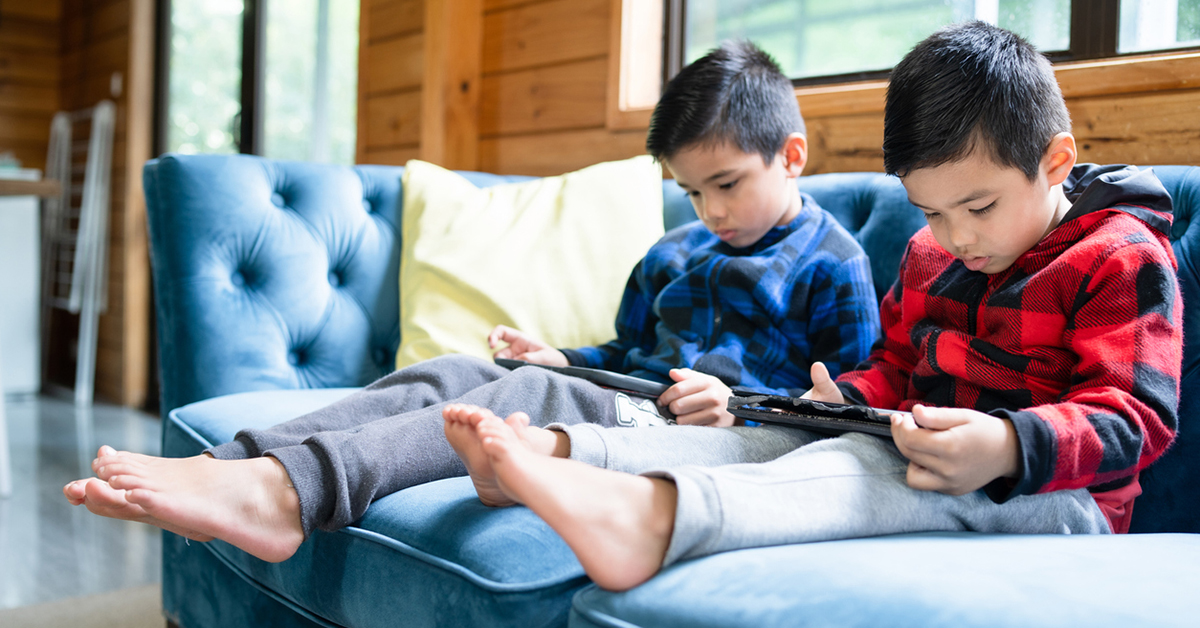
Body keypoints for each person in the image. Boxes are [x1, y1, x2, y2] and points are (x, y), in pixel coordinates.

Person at [62, 40, 880, 563]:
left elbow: (850, 406)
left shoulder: (833, 263)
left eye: (728, 185)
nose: (712, 212)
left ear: (793, 156)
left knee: (528, 399)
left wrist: (741, 405)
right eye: (693, 192)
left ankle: (288, 496)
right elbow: (624, 356)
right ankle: (232, 464)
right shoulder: (674, 253)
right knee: (460, 367)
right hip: (635, 399)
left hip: (710, 434)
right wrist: (564, 356)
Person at [441, 21, 1183, 592]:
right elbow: (894, 364)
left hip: (1061, 501)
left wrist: (1008, 446)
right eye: (929, 213)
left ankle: (650, 521)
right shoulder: (936, 254)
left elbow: (1137, 418)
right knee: (772, 431)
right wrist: (838, 401)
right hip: (917, 450)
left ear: (1055, 162)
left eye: (978, 207)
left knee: (863, 476)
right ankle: (561, 454)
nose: (954, 238)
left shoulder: (1120, 256)